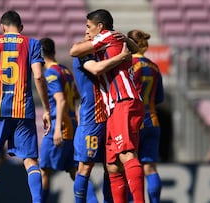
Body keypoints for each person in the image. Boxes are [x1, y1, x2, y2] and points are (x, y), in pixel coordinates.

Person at [70, 9, 146, 203]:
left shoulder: (106, 37)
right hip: (111, 108)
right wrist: (126, 47)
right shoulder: (108, 43)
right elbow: (135, 50)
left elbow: (74, 51)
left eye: (88, 27)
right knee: (112, 165)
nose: (86, 32)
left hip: (122, 102)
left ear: (99, 27)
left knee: (125, 153)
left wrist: (122, 51)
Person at [0, 10, 51, 203]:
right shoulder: (32, 44)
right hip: (23, 108)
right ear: (21, 28)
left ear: (2, 27)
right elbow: (39, 76)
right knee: (31, 161)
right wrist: (47, 110)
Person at [72, 34, 132, 203]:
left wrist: (127, 41)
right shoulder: (84, 54)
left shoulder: (102, 53)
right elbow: (96, 69)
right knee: (85, 167)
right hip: (92, 118)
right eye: (86, 31)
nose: (88, 34)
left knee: (112, 167)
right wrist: (121, 57)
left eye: (89, 30)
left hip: (110, 116)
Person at [38, 37, 98, 203]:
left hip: (60, 126)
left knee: (44, 171)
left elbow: (61, 100)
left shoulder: (50, 74)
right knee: (75, 170)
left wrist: (57, 129)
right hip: (72, 126)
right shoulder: (65, 71)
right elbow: (76, 95)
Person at [128, 29, 164, 203]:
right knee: (150, 167)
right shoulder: (154, 67)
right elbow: (159, 98)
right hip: (153, 120)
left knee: (130, 165)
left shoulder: (128, 65)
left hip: (134, 121)